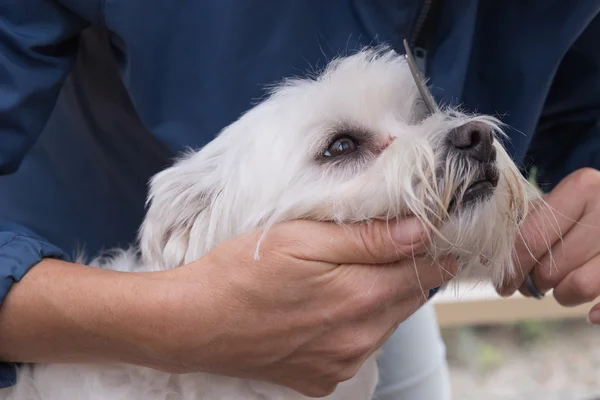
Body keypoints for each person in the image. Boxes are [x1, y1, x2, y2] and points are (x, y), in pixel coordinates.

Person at [0, 1, 599, 399]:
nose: (460, 131)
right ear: (180, 228)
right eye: (341, 147)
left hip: (376, 317)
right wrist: (164, 318)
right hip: (57, 284)